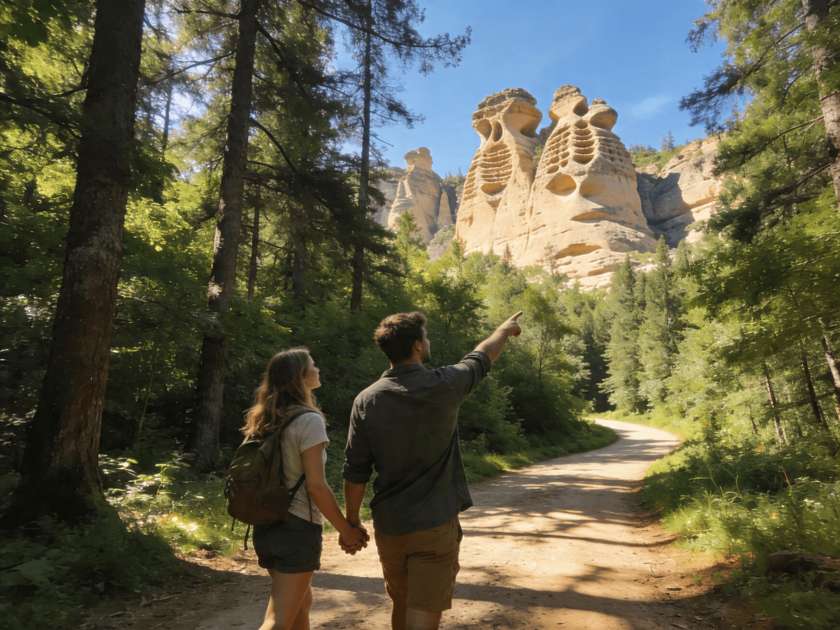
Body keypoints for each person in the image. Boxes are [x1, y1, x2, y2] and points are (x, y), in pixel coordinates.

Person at [342, 311, 523, 630]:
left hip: (391, 526)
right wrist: (503, 331)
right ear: (416, 346)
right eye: (425, 337)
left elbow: (355, 471)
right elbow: (481, 357)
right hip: (434, 524)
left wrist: (352, 521)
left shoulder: (366, 401)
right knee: (423, 613)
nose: (428, 341)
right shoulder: (444, 384)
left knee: (402, 603)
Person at [242, 348, 368, 630]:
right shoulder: (308, 420)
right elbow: (316, 486)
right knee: (278, 621)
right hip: (296, 528)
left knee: (301, 604)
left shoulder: (266, 419)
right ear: (300, 377)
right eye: (313, 365)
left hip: (266, 524)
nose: (318, 369)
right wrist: (346, 530)